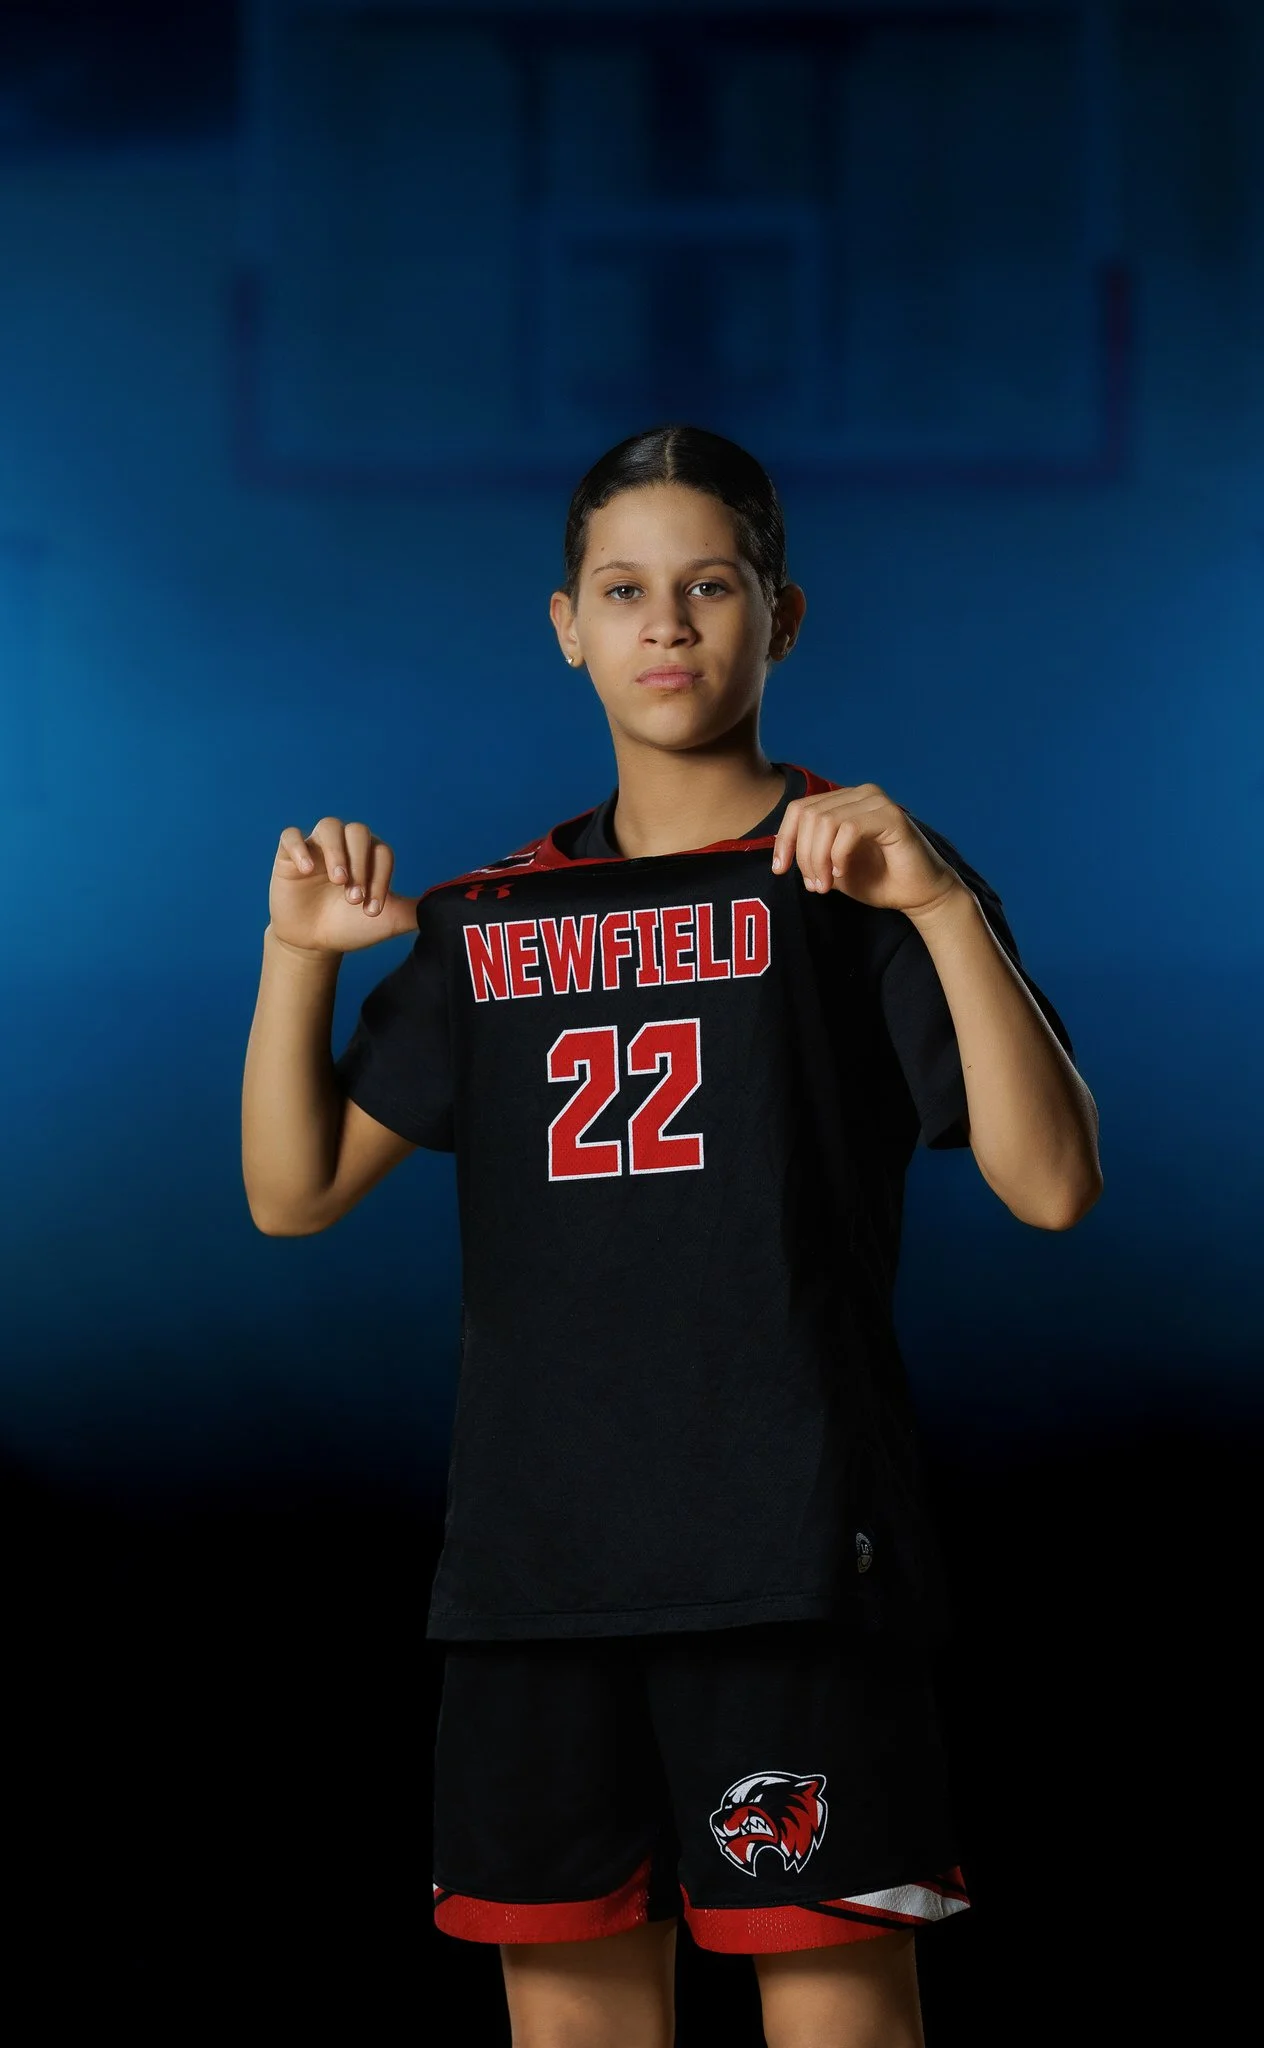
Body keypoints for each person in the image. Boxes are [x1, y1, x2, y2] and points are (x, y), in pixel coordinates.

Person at [241, 423, 1102, 2048]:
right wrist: (297, 959)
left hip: (787, 1567)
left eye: (710, 585)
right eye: (623, 590)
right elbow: (290, 1196)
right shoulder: (491, 919)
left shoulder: (855, 874)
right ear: (563, 622)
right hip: (533, 1580)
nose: (666, 624)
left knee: (837, 2011)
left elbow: (1051, 1184)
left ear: (781, 614)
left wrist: (937, 908)